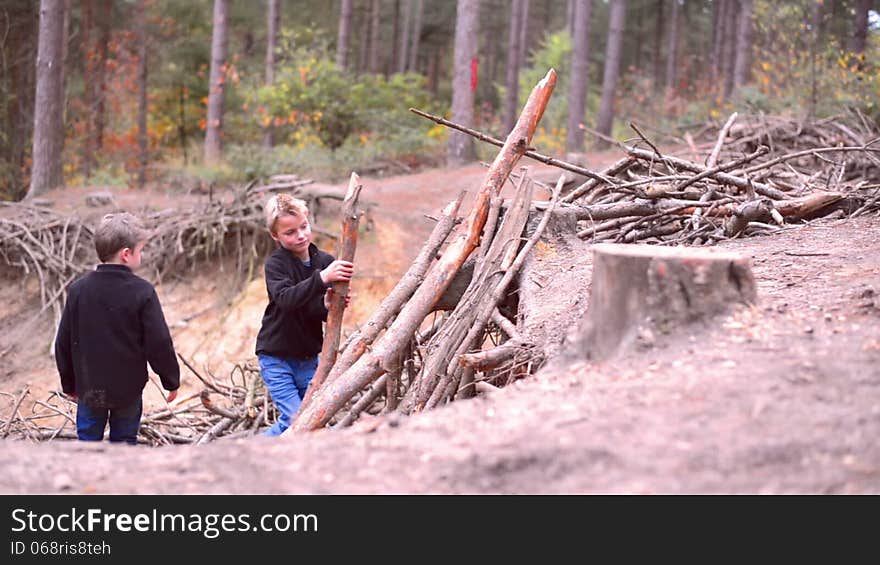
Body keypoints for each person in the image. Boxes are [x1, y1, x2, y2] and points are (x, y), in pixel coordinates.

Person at [55, 212, 180, 445]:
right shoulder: (142, 292)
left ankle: (87, 479)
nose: (140, 256)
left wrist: (69, 384)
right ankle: (120, 480)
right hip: (128, 390)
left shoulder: (79, 290)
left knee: (87, 443)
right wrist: (170, 380)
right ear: (126, 254)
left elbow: (63, 342)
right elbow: (159, 343)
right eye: (139, 251)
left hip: (90, 388)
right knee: (124, 443)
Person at [255, 194, 353, 436]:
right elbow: (287, 299)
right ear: (275, 236)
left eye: (303, 227)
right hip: (276, 358)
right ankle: (249, 454)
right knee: (297, 420)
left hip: (309, 359)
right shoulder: (276, 265)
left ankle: (264, 451)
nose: (300, 235)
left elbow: (309, 308)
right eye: (289, 232)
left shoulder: (325, 261)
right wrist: (321, 279)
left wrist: (327, 305)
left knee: (309, 421)